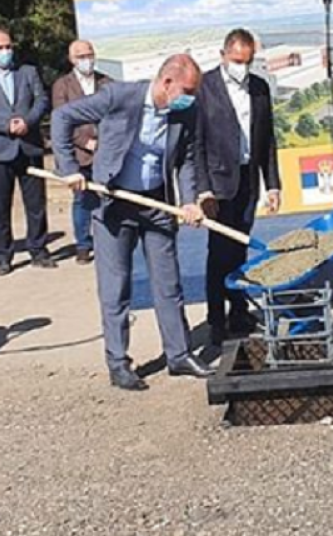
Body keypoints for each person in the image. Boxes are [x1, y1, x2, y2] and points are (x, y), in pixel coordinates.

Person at [51, 54, 214, 391]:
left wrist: (187, 199)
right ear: (166, 83)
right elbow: (62, 116)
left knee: (168, 283)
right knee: (116, 287)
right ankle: (118, 362)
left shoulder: (184, 111)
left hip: (155, 202)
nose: (190, 98)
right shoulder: (119, 97)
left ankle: (179, 354)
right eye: (186, 90)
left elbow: (184, 158)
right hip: (113, 201)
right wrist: (68, 167)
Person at [195, 29, 281, 346]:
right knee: (219, 252)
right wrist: (202, 190)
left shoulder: (259, 88)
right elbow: (196, 144)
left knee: (240, 248)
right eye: (236, 61)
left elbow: (267, 138)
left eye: (248, 61)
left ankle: (240, 311)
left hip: (248, 181)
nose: (242, 67)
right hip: (217, 185)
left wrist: (272, 183)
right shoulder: (205, 87)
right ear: (223, 55)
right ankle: (216, 318)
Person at [0, 27, 56, 275]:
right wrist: (5, 126)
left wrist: (27, 121)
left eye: (8, 47)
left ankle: (38, 249)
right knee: (0, 206)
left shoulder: (27, 72)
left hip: (29, 145)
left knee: (36, 203)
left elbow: (42, 100)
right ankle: (3, 255)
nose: (5, 52)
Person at [51, 40, 112, 264]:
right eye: (81, 56)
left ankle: (107, 241)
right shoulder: (62, 86)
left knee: (107, 199)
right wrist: (85, 142)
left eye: (90, 54)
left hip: (105, 153)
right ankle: (83, 245)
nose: (87, 60)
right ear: (72, 59)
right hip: (79, 154)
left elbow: (115, 116)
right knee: (82, 199)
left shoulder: (107, 82)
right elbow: (61, 120)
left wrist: (105, 142)